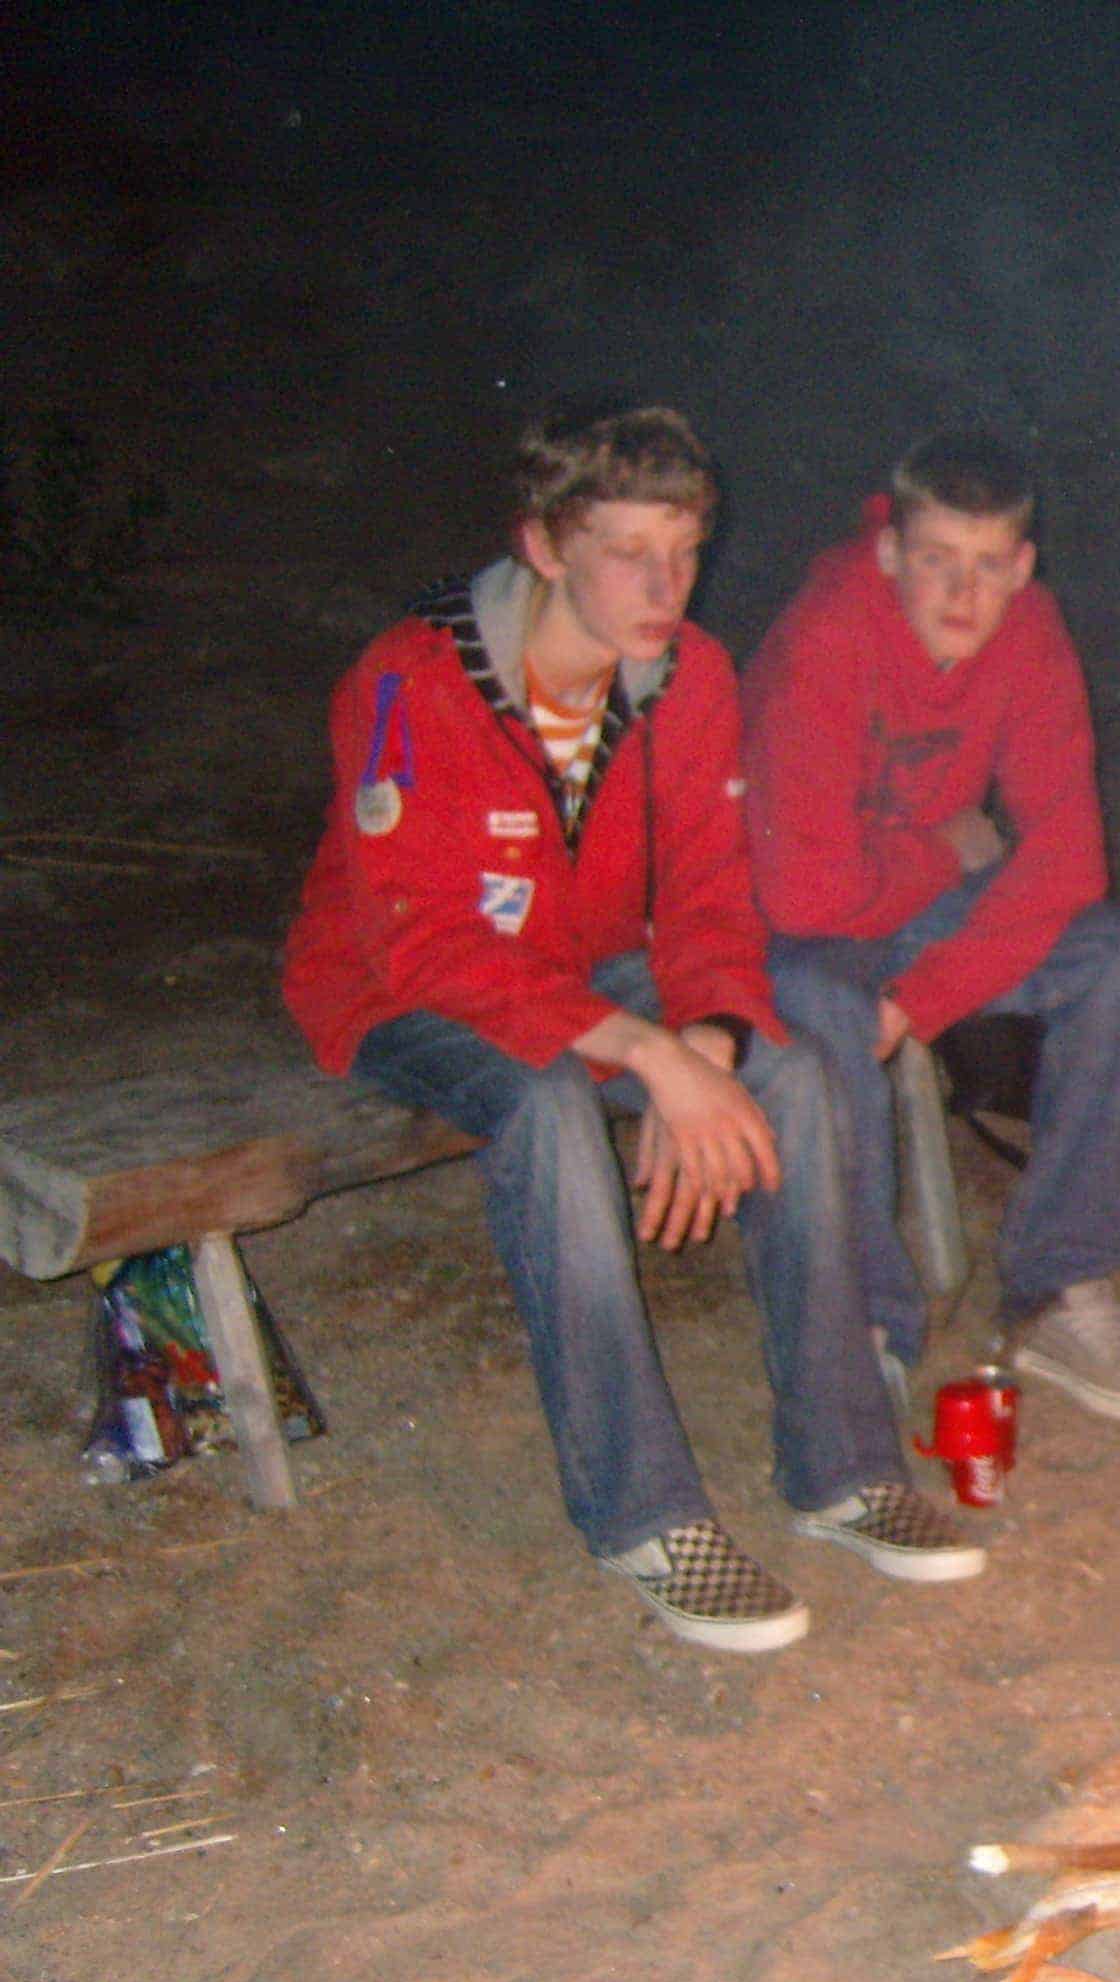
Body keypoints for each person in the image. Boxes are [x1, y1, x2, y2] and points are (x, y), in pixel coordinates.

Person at [282, 405, 978, 1654]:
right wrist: (645, 1053)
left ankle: (843, 1469)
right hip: (400, 987)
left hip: (585, 966)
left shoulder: (687, 675)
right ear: (546, 546)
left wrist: (705, 1043)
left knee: (791, 1073)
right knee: (547, 1105)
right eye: (628, 554)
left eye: (686, 551)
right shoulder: (409, 680)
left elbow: (709, 896)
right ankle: (644, 1518)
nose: (667, 589)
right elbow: (424, 943)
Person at [742, 430, 1120, 1425]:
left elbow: (1069, 860)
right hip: (789, 921)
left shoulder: (1030, 629)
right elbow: (801, 896)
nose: (962, 594)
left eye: (987, 566)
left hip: (898, 907)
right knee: (824, 1003)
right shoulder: (827, 634)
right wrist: (946, 851)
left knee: (1115, 956)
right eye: (937, 561)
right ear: (891, 550)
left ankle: (1059, 1279)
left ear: (1022, 567)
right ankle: (868, 1328)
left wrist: (924, 994)